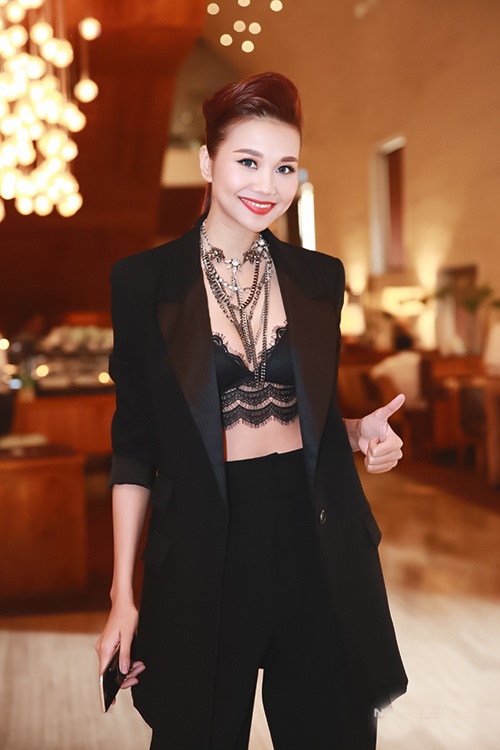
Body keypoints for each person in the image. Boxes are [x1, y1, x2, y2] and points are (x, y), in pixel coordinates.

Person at [96, 71, 407, 750]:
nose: (268, 184)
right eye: (247, 161)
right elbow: (136, 447)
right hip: (204, 552)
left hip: (318, 547)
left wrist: (358, 433)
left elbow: (304, 416)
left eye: (285, 167)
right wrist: (123, 594)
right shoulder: (144, 282)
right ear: (208, 162)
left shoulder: (320, 278)